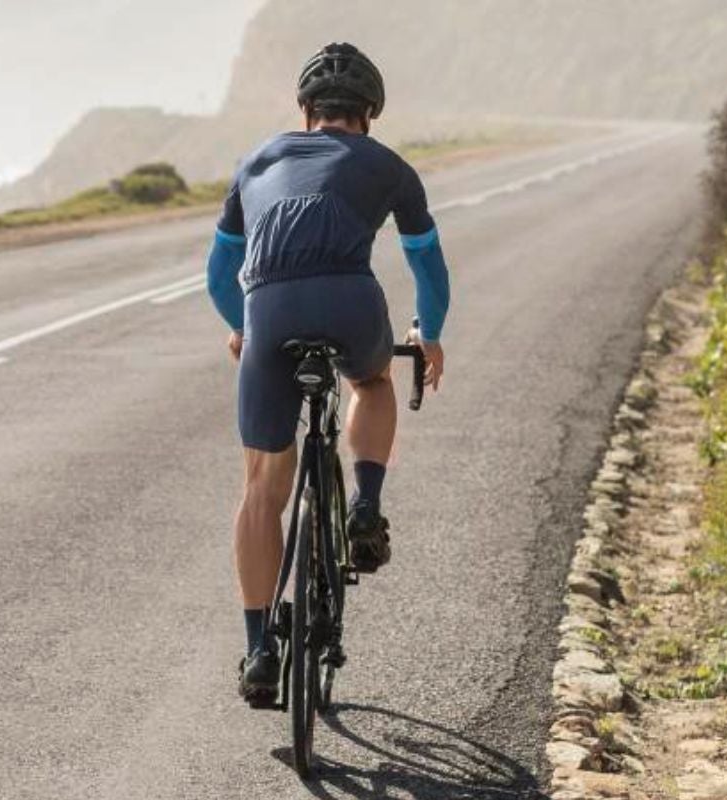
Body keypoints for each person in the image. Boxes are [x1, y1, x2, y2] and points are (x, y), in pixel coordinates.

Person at [204, 42, 452, 708]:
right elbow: (427, 266)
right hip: (349, 301)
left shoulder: (255, 160)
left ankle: (260, 653)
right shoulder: (389, 165)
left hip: (269, 306)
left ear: (306, 111)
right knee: (371, 382)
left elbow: (217, 276)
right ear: (368, 114)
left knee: (261, 486)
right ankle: (366, 508)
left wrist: (241, 328)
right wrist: (427, 334)